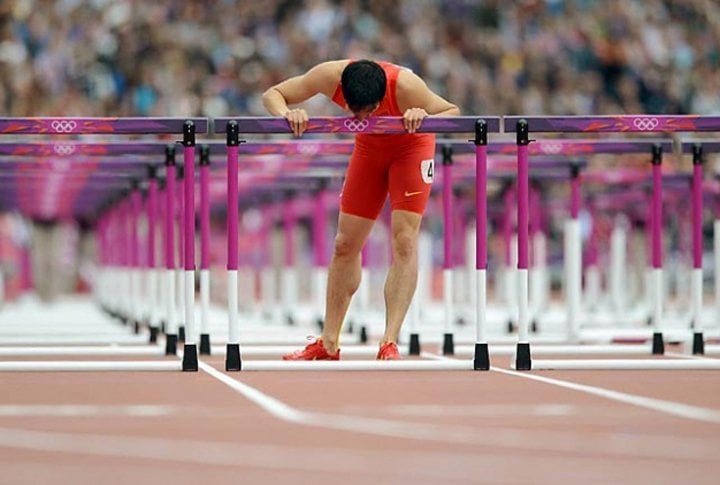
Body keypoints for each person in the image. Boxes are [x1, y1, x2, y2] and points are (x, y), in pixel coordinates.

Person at [262, 59, 459, 360]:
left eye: (369, 111)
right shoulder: (329, 75)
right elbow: (273, 93)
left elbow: (451, 111)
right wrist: (288, 113)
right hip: (369, 150)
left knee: (404, 240)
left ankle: (389, 341)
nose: (361, 116)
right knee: (344, 245)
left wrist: (422, 113)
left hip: (411, 148)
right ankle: (328, 343)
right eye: (355, 111)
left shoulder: (406, 85)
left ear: (381, 97)